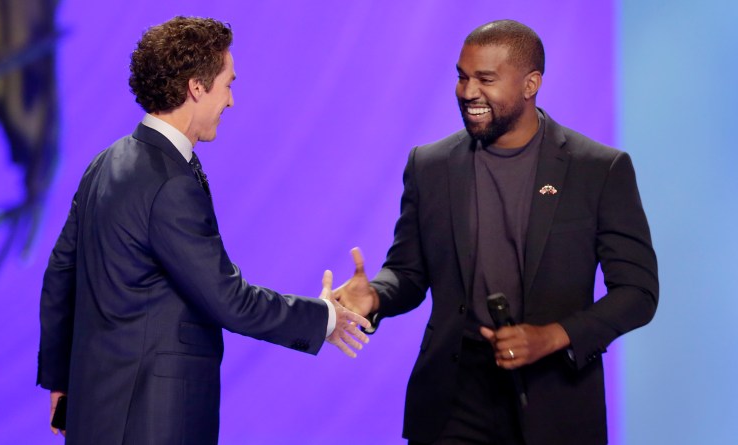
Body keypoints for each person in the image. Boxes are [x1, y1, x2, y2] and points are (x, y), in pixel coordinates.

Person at [37, 16, 370, 445]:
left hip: (94, 413)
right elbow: (227, 299)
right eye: (228, 84)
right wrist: (323, 317)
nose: (231, 101)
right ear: (197, 87)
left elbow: (59, 276)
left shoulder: (106, 162)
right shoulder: (170, 182)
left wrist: (60, 381)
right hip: (153, 421)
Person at [335, 19, 658, 445]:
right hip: (454, 397)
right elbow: (409, 273)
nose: (468, 92)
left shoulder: (598, 169)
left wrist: (552, 337)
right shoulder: (430, 166)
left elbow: (637, 293)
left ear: (530, 84)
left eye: (485, 79)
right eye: (462, 77)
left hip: (556, 395)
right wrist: (375, 294)